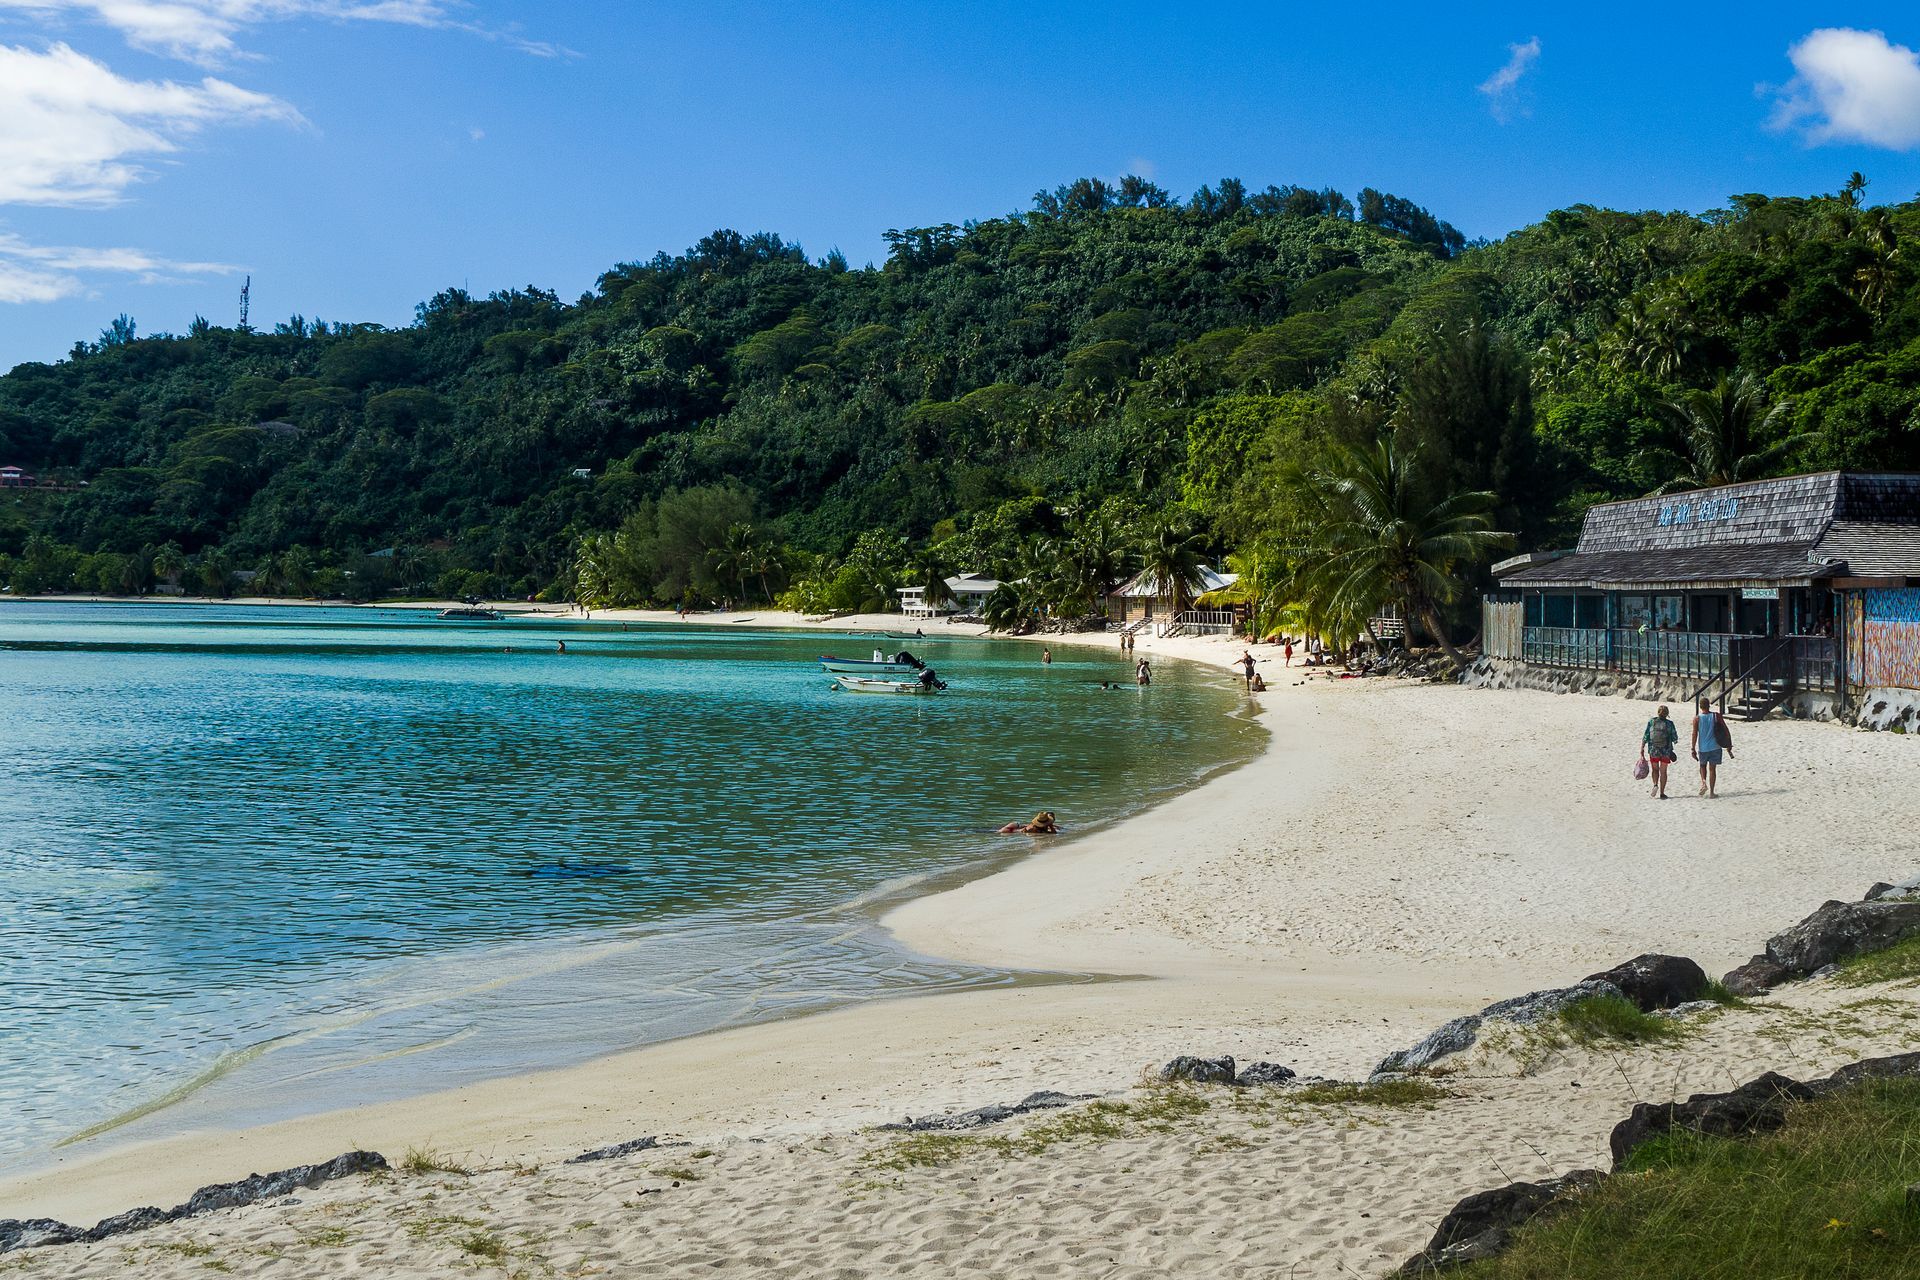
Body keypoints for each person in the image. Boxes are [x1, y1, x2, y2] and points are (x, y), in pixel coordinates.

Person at [1692, 697, 1733, 798]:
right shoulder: (1716, 716)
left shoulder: (1697, 718)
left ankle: (1703, 783)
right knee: (1712, 769)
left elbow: (1694, 734)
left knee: (1702, 766)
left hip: (1703, 747)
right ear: (1709, 705)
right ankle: (1712, 792)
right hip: (1715, 746)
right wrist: (1729, 743)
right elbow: (1725, 729)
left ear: (1700, 707)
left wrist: (1693, 748)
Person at [1641, 704, 1679, 799]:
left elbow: (1646, 735)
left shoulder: (1652, 721)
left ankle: (1655, 784)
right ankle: (1662, 793)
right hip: (1665, 751)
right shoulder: (1669, 724)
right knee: (1663, 771)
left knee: (1655, 769)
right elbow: (1675, 738)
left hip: (1653, 750)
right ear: (1667, 714)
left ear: (1658, 713)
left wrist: (1642, 747)